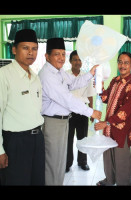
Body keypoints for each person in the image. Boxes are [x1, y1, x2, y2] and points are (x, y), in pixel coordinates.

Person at [38, 38, 101, 185]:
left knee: (59, 161)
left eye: (63, 54)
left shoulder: (59, 72)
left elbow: (73, 83)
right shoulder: (47, 75)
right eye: (57, 54)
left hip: (63, 120)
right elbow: (66, 99)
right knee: (53, 162)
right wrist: (90, 112)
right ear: (47, 56)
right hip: (52, 122)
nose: (61, 58)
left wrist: (91, 73)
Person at [0, 29, 45, 185]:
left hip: (37, 139)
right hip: (16, 142)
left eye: (34, 49)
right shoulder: (4, 75)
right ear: (14, 49)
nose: (30, 53)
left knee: (37, 180)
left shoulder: (35, 76)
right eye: (25, 48)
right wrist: (0, 151)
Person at [94, 52, 131, 186]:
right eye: (120, 62)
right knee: (108, 156)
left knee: (121, 159)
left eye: (126, 63)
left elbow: (125, 111)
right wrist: (99, 84)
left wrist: (106, 122)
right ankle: (109, 180)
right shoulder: (114, 81)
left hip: (121, 129)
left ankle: (123, 183)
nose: (122, 65)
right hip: (108, 127)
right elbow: (105, 98)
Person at [65, 50, 96, 172]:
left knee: (83, 138)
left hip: (83, 111)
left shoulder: (86, 76)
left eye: (79, 60)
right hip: (68, 111)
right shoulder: (65, 75)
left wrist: (91, 111)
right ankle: (67, 163)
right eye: (75, 60)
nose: (77, 62)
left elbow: (90, 95)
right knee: (68, 138)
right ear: (70, 61)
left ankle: (82, 162)